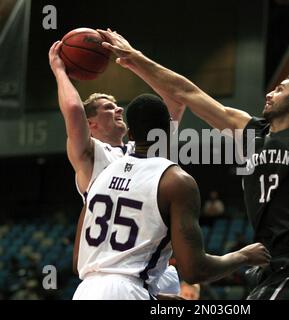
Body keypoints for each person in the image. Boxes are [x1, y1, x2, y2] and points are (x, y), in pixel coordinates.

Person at [97, 0, 289, 299]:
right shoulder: (249, 131)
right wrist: (135, 58)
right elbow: (188, 92)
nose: (269, 92)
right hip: (267, 264)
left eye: (279, 89)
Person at [72, 93, 270, 299]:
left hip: (85, 291)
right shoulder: (175, 181)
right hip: (129, 292)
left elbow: (79, 262)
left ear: (130, 134)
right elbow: (195, 270)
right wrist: (243, 256)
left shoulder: (101, 175)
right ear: (169, 130)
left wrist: (158, 297)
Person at [48, 42, 186, 296]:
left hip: (153, 270)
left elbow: (175, 103)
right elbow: (73, 110)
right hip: (116, 273)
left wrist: (135, 61)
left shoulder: (144, 149)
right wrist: (60, 71)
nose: (119, 108)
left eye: (117, 105)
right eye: (108, 108)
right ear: (90, 124)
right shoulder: (92, 155)